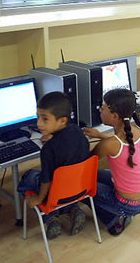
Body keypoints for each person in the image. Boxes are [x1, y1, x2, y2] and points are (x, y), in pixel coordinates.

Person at [17, 92, 90, 239]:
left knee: (27, 178)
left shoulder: (48, 149)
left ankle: (51, 217)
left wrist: (38, 199)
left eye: (45, 119)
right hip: (80, 190)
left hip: (57, 196)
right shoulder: (77, 131)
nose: (38, 123)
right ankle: (74, 210)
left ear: (62, 120)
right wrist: (54, 135)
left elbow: (46, 180)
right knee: (60, 177)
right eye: (38, 117)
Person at [83, 89, 140, 236]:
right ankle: (131, 208)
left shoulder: (110, 144)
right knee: (97, 175)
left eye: (103, 107)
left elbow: (86, 163)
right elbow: (118, 144)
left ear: (114, 116)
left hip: (127, 204)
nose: (100, 109)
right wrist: (100, 135)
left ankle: (115, 220)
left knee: (82, 186)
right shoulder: (136, 130)